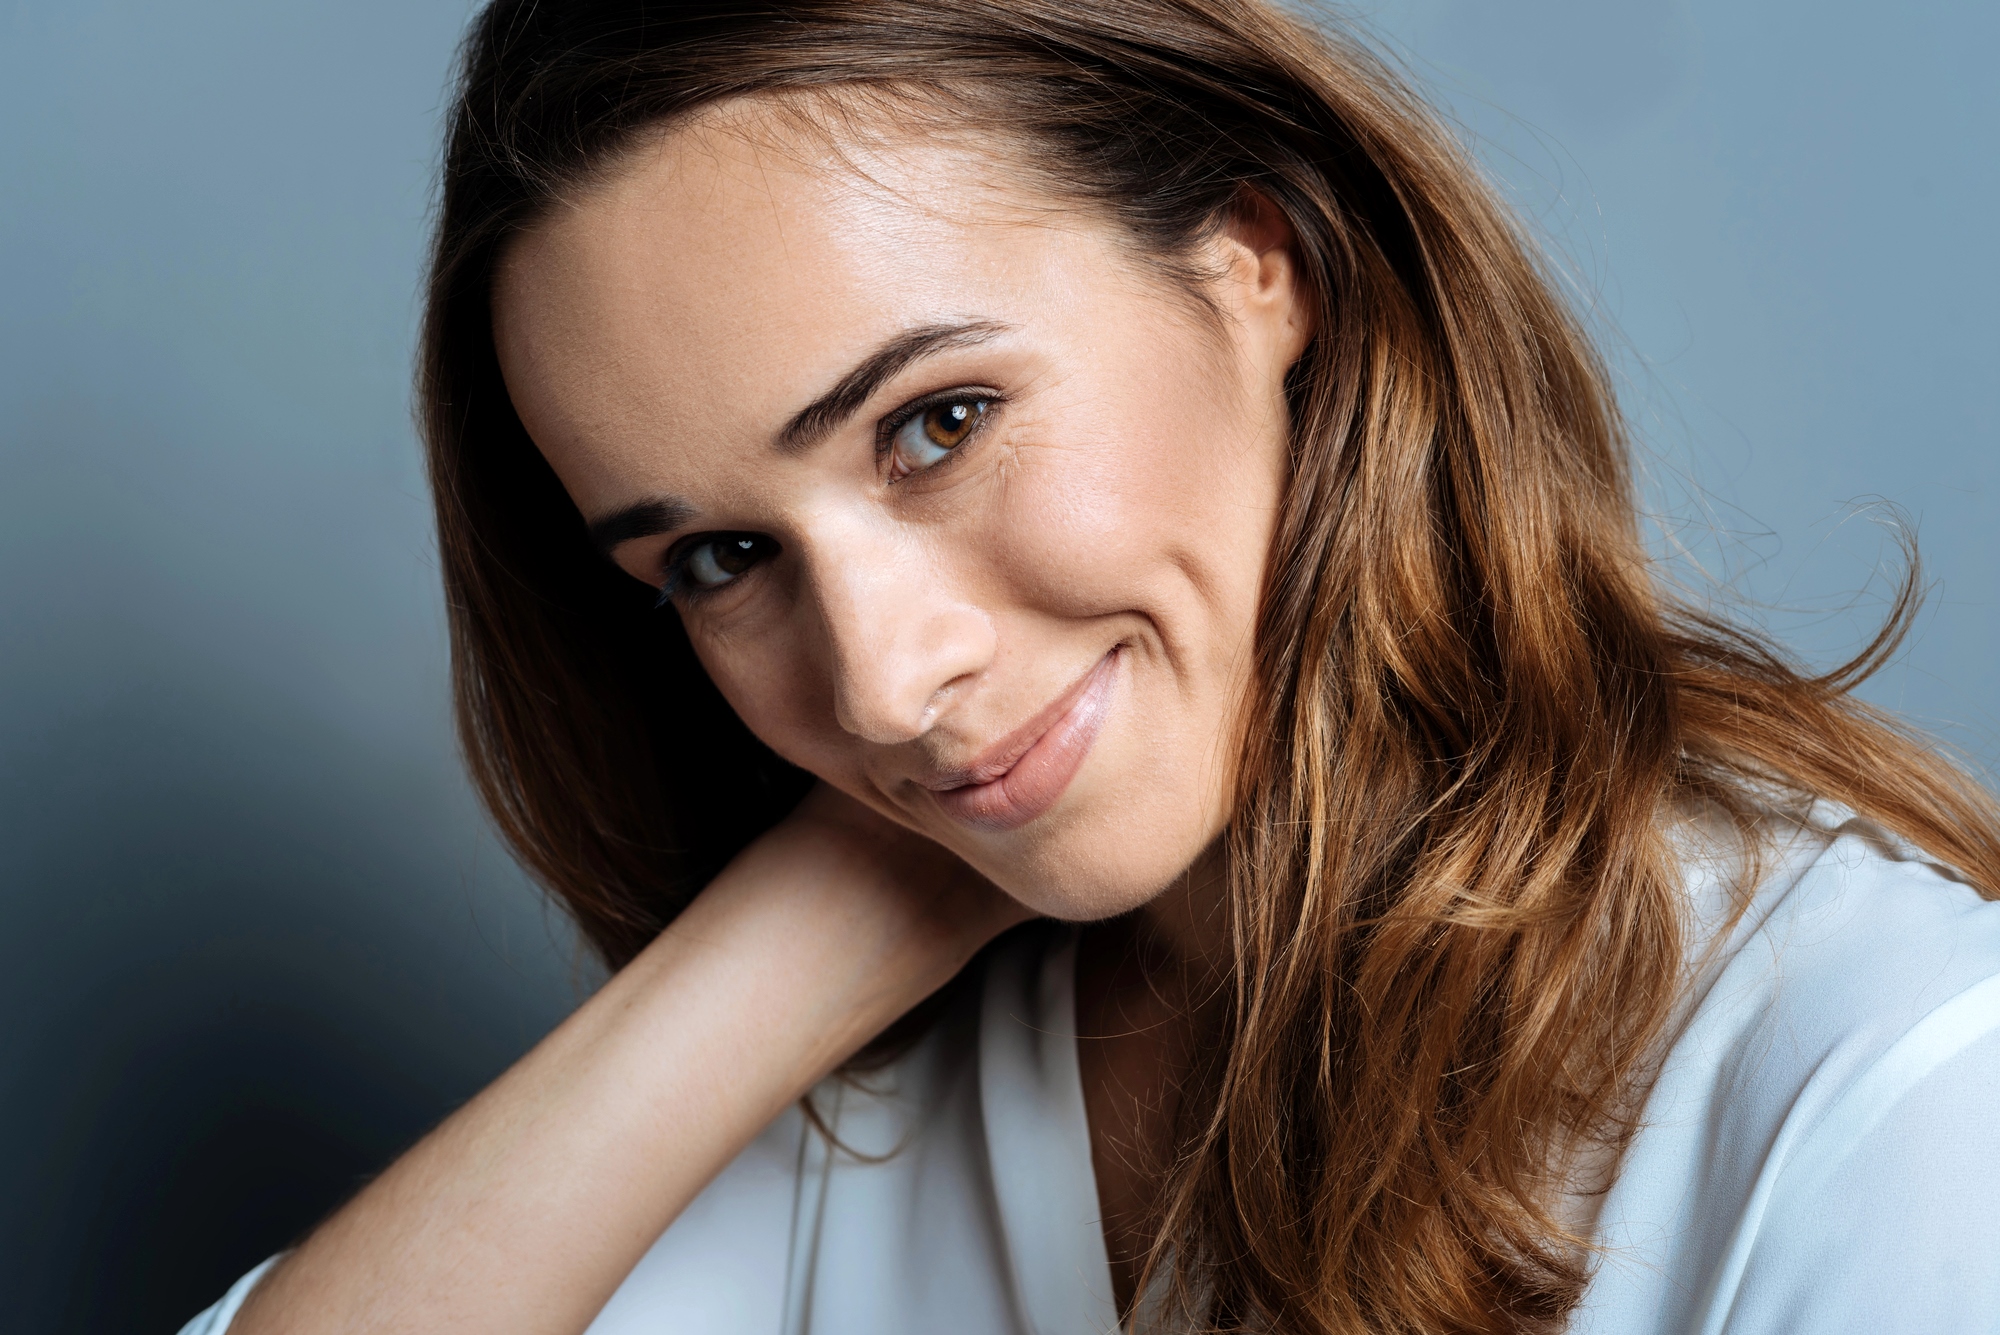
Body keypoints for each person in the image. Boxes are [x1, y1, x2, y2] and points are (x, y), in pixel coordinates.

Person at [181, 2, 2000, 1332]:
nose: (883, 681)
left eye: (937, 423)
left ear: (1256, 261)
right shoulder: (878, 1096)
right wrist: (811, 924)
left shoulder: (1886, 1079)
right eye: (721, 561)